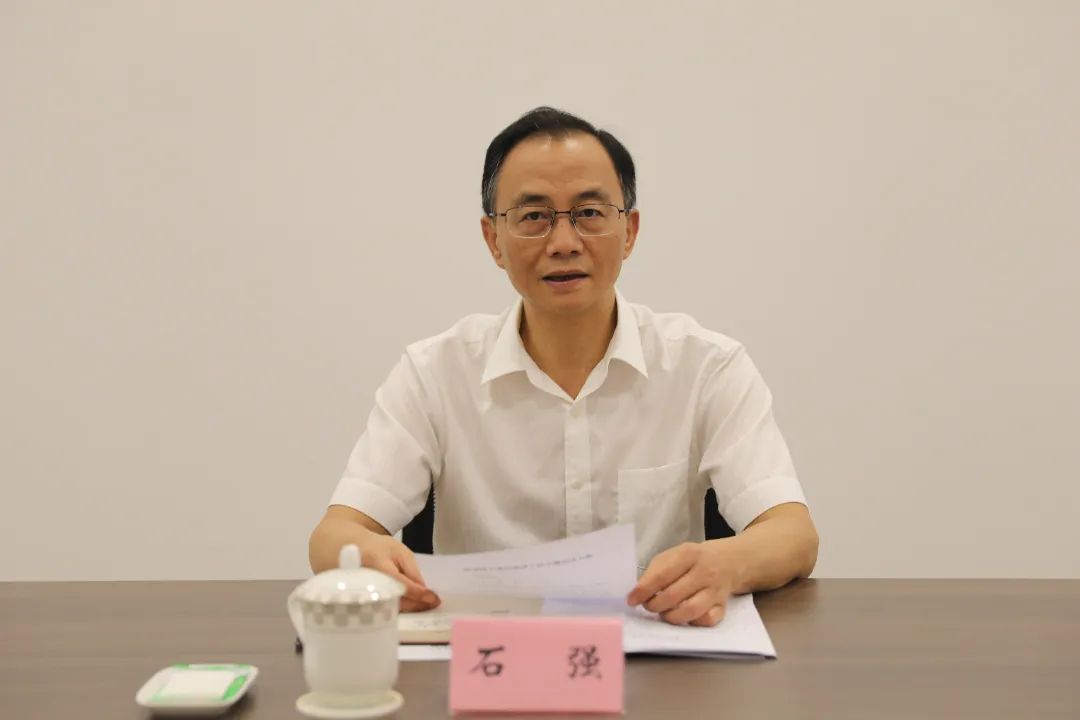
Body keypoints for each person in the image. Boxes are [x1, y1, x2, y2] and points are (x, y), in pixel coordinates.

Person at [309, 107, 818, 627]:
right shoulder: (433, 374)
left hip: (655, 657)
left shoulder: (707, 367)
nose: (564, 243)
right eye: (534, 217)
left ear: (629, 231)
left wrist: (727, 563)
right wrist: (367, 556)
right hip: (488, 659)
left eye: (589, 213)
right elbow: (334, 536)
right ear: (493, 240)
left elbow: (793, 534)